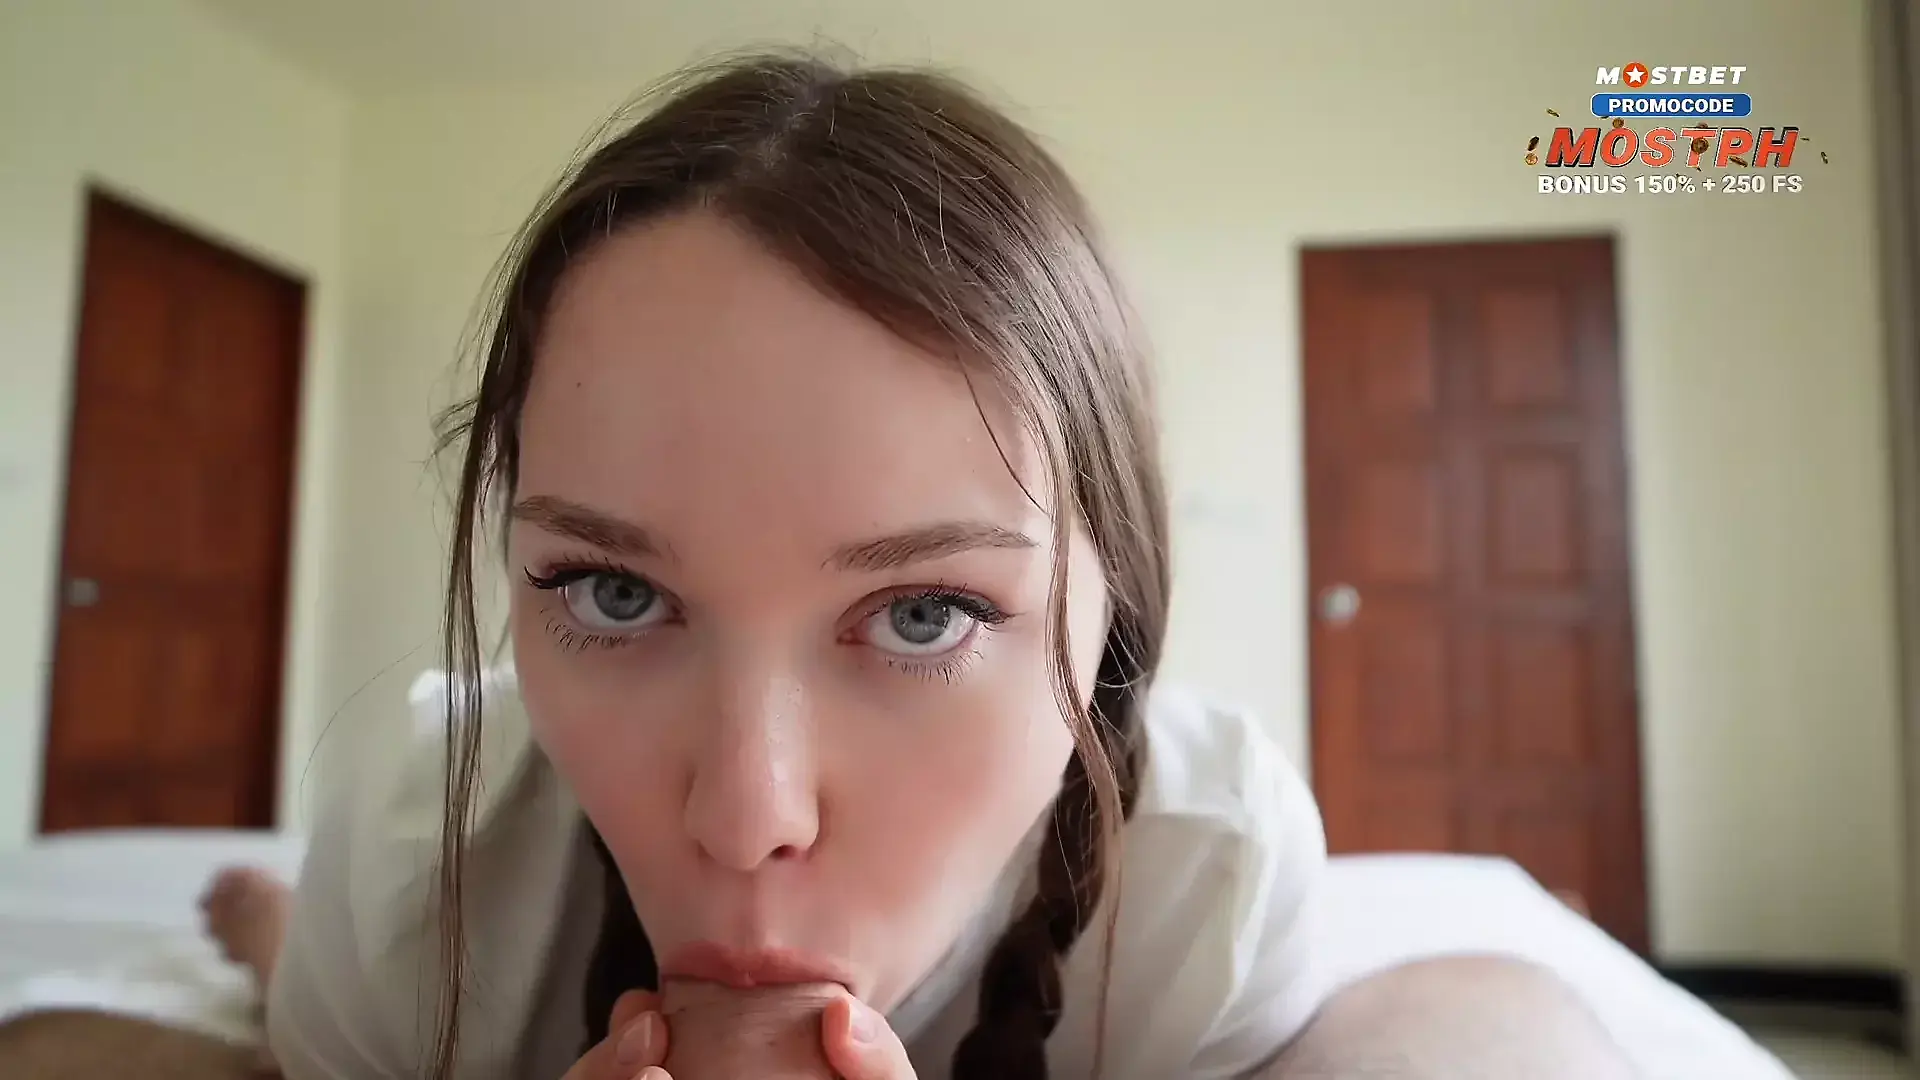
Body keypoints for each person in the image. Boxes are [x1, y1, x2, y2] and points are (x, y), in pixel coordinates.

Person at [250, 52, 1641, 1080]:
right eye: (614, 595)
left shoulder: (1202, 888)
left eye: (925, 613)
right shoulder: (412, 864)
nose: (746, 817)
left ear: (1112, 615)